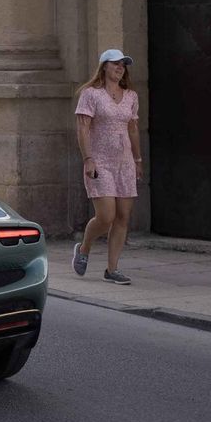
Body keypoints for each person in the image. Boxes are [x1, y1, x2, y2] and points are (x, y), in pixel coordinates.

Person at [71, 48, 142, 286]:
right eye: (115, 64)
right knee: (106, 216)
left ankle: (112, 269)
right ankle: (84, 248)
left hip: (125, 163)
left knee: (122, 216)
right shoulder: (91, 94)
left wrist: (138, 159)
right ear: (104, 67)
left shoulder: (131, 96)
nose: (120, 68)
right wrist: (88, 158)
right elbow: (82, 128)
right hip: (99, 160)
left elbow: (132, 129)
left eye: (123, 64)